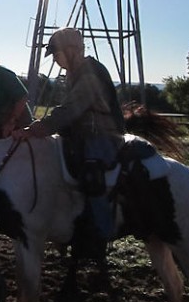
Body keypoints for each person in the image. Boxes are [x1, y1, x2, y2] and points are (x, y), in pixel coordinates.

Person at [12, 27, 125, 258]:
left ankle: (101, 233)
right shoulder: (74, 73)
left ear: (72, 50)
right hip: (79, 134)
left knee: (91, 173)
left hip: (102, 135)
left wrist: (38, 128)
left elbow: (72, 109)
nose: (55, 59)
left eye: (57, 53)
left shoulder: (90, 72)